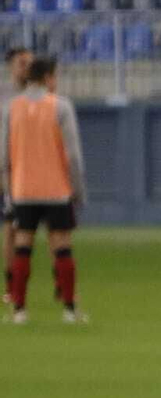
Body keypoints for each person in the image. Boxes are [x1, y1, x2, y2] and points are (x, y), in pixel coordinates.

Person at [1, 57, 86, 324]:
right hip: (56, 188)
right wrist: (78, 190)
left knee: (22, 246)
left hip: (23, 189)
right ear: (48, 77)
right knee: (62, 246)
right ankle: (70, 310)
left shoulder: (10, 108)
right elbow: (72, 154)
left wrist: (8, 189)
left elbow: (3, 155)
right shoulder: (60, 106)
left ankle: (19, 311)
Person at [4, 47, 32, 305]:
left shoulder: (40, 95)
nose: (27, 67)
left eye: (30, 62)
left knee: (55, 231)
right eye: (22, 62)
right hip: (11, 169)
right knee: (11, 228)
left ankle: (62, 282)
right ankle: (11, 286)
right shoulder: (4, 95)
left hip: (38, 170)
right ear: (11, 65)